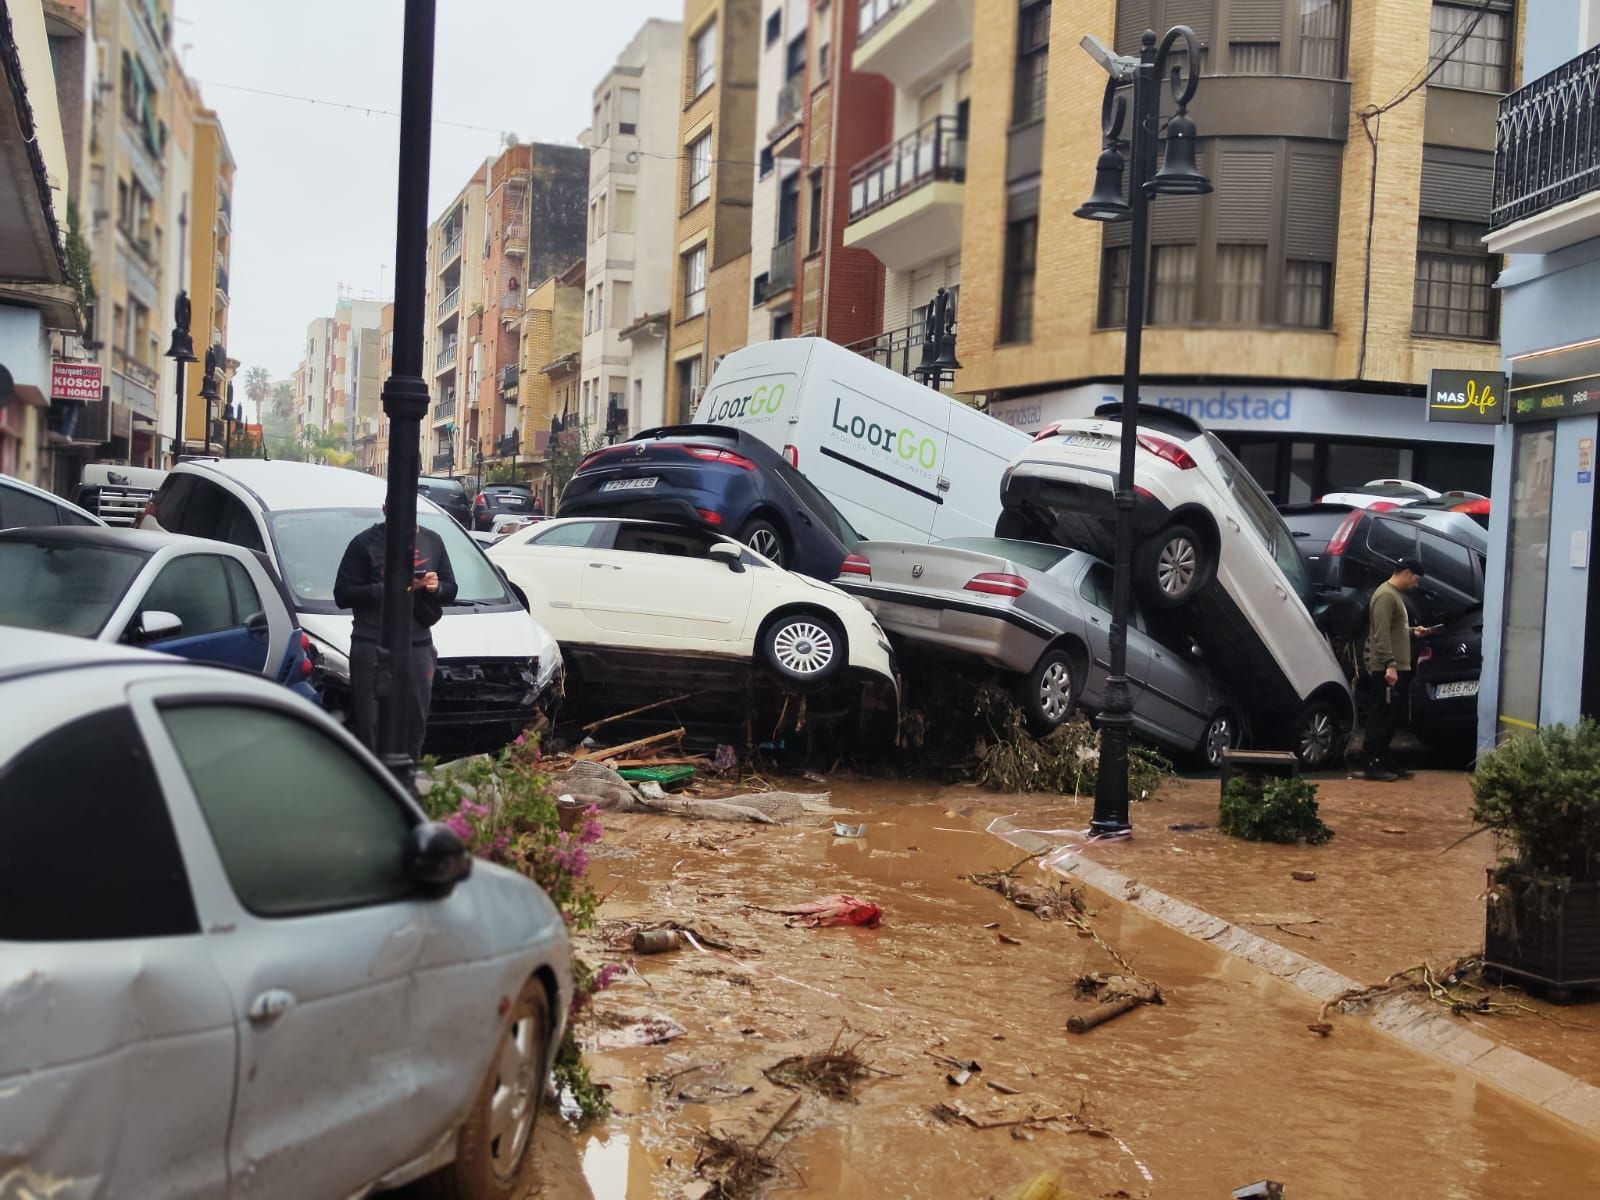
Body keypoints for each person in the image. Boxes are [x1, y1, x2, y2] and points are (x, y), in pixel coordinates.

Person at [333, 505, 457, 761]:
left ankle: (408, 781)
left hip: (418, 642)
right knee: (371, 723)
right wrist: (392, 587)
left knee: (414, 721)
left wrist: (436, 587)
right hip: (373, 641)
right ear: (386, 509)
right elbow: (343, 595)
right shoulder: (365, 543)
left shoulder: (432, 540)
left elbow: (451, 588)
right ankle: (373, 781)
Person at [1363, 557, 1430, 782]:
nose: (1416, 585)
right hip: (1387, 669)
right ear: (1408, 573)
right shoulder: (1385, 596)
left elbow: (1395, 629)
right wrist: (1390, 665)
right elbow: (1381, 634)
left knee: (1391, 716)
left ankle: (1383, 757)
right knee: (1381, 716)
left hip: (1396, 666)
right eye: (1416, 579)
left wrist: (1412, 632)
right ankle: (1372, 763)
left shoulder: (1394, 596)